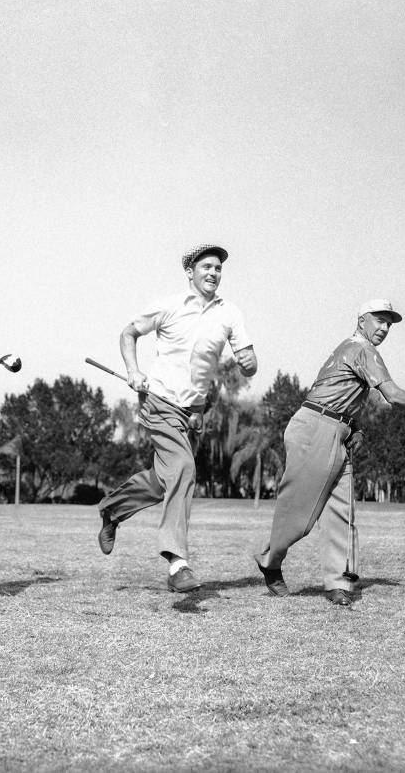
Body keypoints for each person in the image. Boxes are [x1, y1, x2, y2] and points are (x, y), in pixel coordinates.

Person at [253, 298, 405, 606]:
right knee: (301, 513)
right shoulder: (362, 349)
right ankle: (270, 560)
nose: (384, 328)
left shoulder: (346, 348)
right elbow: (392, 395)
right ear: (361, 321)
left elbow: (342, 394)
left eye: (389, 324)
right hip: (316, 428)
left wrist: (356, 429)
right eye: (379, 320)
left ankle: (338, 582)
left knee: (342, 511)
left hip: (333, 428)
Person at [97, 243, 257, 593]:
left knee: (162, 481)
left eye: (218, 268)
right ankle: (177, 562)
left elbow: (248, 359)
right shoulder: (168, 306)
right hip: (159, 401)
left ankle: (112, 510)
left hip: (193, 412)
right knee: (184, 469)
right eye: (207, 267)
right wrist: (133, 371)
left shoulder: (229, 313)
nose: (213, 273)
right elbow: (128, 333)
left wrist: (249, 363)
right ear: (190, 271)